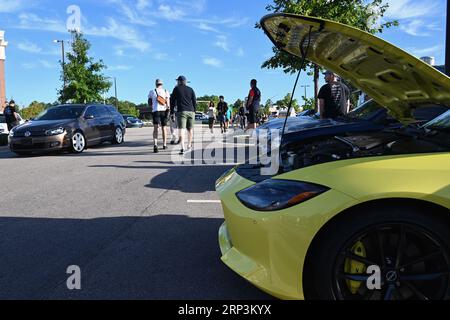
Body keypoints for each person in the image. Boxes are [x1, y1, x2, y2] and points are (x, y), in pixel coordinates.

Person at [170, 76, 197, 155]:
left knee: (181, 129)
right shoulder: (191, 89)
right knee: (190, 129)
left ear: (179, 81)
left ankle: (182, 147)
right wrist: (194, 110)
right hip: (191, 111)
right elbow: (194, 101)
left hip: (181, 111)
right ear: (185, 81)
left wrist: (172, 112)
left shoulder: (176, 89)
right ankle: (189, 144)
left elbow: (172, 101)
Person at [148, 79, 171, 153]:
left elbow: (149, 102)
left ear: (155, 84)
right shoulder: (166, 91)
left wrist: (153, 106)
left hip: (155, 111)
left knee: (155, 128)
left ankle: (155, 144)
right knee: (164, 128)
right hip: (164, 111)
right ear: (162, 84)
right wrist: (168, 110)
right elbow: (168, 103)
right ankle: (164, 144)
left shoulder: (152, 91)